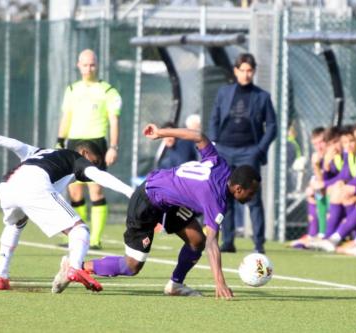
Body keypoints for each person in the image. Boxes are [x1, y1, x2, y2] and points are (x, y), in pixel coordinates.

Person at [52, 123, 261, 299]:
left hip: (169, 202)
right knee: (132, 266)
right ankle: (76, 266)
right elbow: (213, 242)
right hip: (147, 200)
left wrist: (161, 132)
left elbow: (198, 136)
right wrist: (220, 282)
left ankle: (175, 285)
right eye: (250, 193)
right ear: (238, 189)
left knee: (196, 240)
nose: (251, 198)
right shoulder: (216, 200)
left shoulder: (220, 164)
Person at [0, 120, 133, 292]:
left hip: (7, 185)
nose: (93, 166)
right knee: (80, 230)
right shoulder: (77, 159)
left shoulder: (41, 151)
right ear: (84, 152)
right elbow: (100, 176)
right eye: (94, 161)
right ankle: (74, 267)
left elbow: (15, 144)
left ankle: (0, 277)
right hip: (35, 184)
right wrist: (130, 192)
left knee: (15, 224)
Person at [208, 52, 277, 254]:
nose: (246, 74)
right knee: (225, 195)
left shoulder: (262, 96)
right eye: (242, 70)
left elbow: (272, 126)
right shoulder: (224, 92)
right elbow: (214, 117)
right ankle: (228, 241)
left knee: (252, 198)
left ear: (253, 71)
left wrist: (259, 150)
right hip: (225, 150)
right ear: (235, 71)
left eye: (249, 70)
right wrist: (214, 144)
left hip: (249, 152)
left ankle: (258, 244)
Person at [57, 49, 122, 250]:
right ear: (79, 65)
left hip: (96, 143)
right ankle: (77, 234)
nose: (88, 68)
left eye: (92, 64)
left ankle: (95, 239)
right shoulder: (71, 89)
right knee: (75, 191)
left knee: (96, 190)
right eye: (85, 64)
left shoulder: (108, 91)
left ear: (97, 65)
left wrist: (113, 147)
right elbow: (66, 117)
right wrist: (60, 141)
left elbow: (114, 120)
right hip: (73, 142)